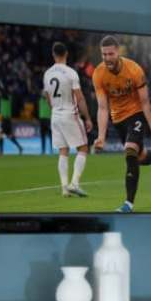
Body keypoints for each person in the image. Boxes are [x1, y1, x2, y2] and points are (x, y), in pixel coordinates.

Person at [89, 35, 151, 211]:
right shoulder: (98, 74)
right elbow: (102, 108)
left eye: (110, 54)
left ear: (118, 52)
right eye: (104, 54)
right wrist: (101, 137)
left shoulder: (134, 70)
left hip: (136, 114)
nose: (107, 58)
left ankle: (128, 203)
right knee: (140, 157)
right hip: (118, 119)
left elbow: (145, 102)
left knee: (129, 151)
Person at [42, 46, 89, 197]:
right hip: (70, 114)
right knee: (83, 148)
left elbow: (47, 97)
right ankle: (74, 183)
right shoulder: (71, 73)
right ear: (66, 54)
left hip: (55, 115)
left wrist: (55, 110)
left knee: (63, 151)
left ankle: (64, 188)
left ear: (53, 54)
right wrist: (87, 118)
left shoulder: (47, 74)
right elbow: (79, 98)